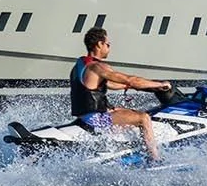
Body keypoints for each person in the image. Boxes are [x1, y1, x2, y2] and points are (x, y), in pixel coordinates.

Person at [70, 27, 171, 161]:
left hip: (86, 115)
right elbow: (131, 80)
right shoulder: (98, 67)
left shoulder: (81, 65)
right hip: (94, 119)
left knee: (125, 111)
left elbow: (108, 85)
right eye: (108, 44)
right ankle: (155, 159)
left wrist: (130, 86)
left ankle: (129, 148)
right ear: (99, 44)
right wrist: (160, 84)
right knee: (143, 118)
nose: (109, 48)